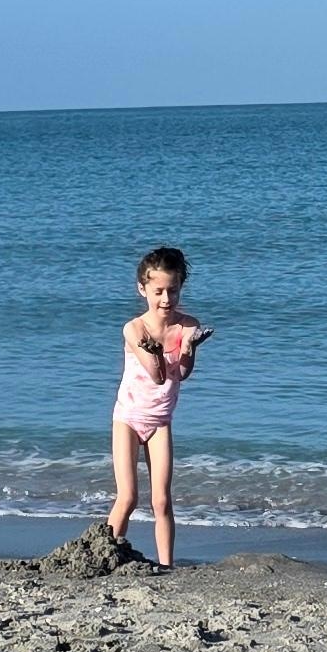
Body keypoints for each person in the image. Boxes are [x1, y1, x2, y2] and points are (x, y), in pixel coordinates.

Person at [102, 244, 207, 570]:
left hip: (160, 421)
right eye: (158, 291)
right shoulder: (134, 329)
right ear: (142, 289)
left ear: (180, 288)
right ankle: (104, 555)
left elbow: (181, 375)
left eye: (172, 291)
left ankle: (166, 565)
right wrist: (158, 351)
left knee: (161, 499)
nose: (165, 299)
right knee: (128, 497)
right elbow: (158, 375)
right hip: (129, 420)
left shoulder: (187, 325)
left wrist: (187, 348)